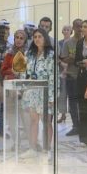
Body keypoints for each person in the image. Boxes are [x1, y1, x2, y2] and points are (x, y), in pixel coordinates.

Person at [22, 28, 55, 158]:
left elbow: (53, 76)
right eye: (35, 37)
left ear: (45, 38)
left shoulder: (51, 55)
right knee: (33, 120)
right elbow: (24, 72)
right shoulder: (29, 54)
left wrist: (52, 96)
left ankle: (47, 149)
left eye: (40, 36)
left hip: (46, 91)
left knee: (46, 121)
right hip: (31, 91)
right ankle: (32, 148)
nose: (37, 39)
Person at [59, 19, 83, 136]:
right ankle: (75, 126)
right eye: (77, 26)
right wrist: (75, 58)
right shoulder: (68, 43)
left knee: (84, 102)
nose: (80, 29)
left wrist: (75, 57)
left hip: (84, 77)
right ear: (73, 28)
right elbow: (64, 59)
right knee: (72, 103)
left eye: (81, 26)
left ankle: (84, 126)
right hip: (71, 76)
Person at [0, 22, 12, 136]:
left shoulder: (11, 47)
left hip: (6, 78)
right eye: (0, 32)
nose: (2, 34)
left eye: (5, 32)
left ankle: (1, 129)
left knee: (4, 105)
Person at [57, 25, 72, 124]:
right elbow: (56, 57)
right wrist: (63, 64)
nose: (66, 31)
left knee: (72, 94)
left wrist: (68, 67)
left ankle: (73, 114)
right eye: (64, 29)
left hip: (72, 71)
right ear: (62, 31)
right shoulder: (59, 43)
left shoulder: (74, 42)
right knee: (62, 94)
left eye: (68, 30)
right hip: (61, 71)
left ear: (71, 32)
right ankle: (62, 114)